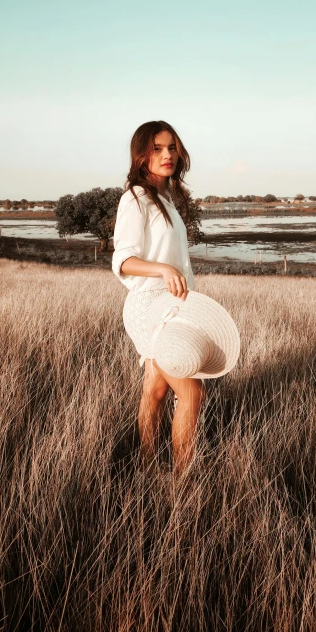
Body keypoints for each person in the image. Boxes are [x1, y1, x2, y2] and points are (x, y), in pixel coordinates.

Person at [111, 120, 203, 474]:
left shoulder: (166, 199)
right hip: (149, 306)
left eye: (172, 148)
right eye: (157, 149)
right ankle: (183, 482)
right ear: (141, 155)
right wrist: (163, 271)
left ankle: (147, 468)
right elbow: (123, 259)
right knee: (192, 391)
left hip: (173, 307)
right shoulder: (135, 198)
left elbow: (177, 260)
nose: (167, 155)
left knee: (156, 389)